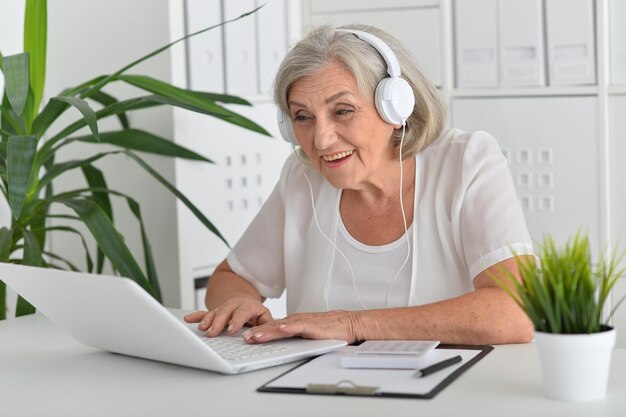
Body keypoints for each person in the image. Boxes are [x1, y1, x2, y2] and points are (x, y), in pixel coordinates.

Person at [184, 24, 535, 345]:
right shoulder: (301, 177)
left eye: (342, 111)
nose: (321, 140)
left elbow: (515, 312)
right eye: (303, 117)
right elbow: (230, 277)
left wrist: (352, 324)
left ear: (396, 108)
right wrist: (238, 303)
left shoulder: (466, 162)